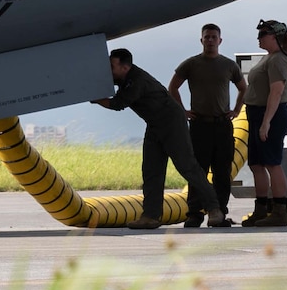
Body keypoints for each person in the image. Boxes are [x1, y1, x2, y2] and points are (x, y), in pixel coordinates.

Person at [93, 47, 225, 229]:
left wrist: (95, 97)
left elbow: (117, 104)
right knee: (151, 170)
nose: (109, 71)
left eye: (111, 66)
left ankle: (214, 209)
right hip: (154, 124)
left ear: (125, 67)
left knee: (187, 167)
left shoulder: (136, 81)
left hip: (171, 122)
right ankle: (151, 216)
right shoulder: (125, 78)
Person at [170, 24, 247, 227]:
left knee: (222, 172)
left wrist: (237, 110)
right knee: (198, 170)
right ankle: (194, 213)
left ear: (220, 41)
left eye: (214, 37)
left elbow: (243, 88)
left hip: (222, 124)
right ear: (201, 40)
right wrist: (182, 111)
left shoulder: (229, 65)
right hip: (199, 125)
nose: (210, 40)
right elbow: (173, 87)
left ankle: (220, 212)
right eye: (207, 37)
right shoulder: (191, 64)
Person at [240, 20, 287, 228]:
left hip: (270, 115)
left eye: (263, 34)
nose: (259, 37)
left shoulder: (279, 60)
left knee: (272, 163)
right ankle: (261, 209)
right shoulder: (270, 58)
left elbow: (276, 91)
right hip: (257, 114)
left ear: (276, 36)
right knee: (256, 164)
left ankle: (279, 210)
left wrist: (266, 123)